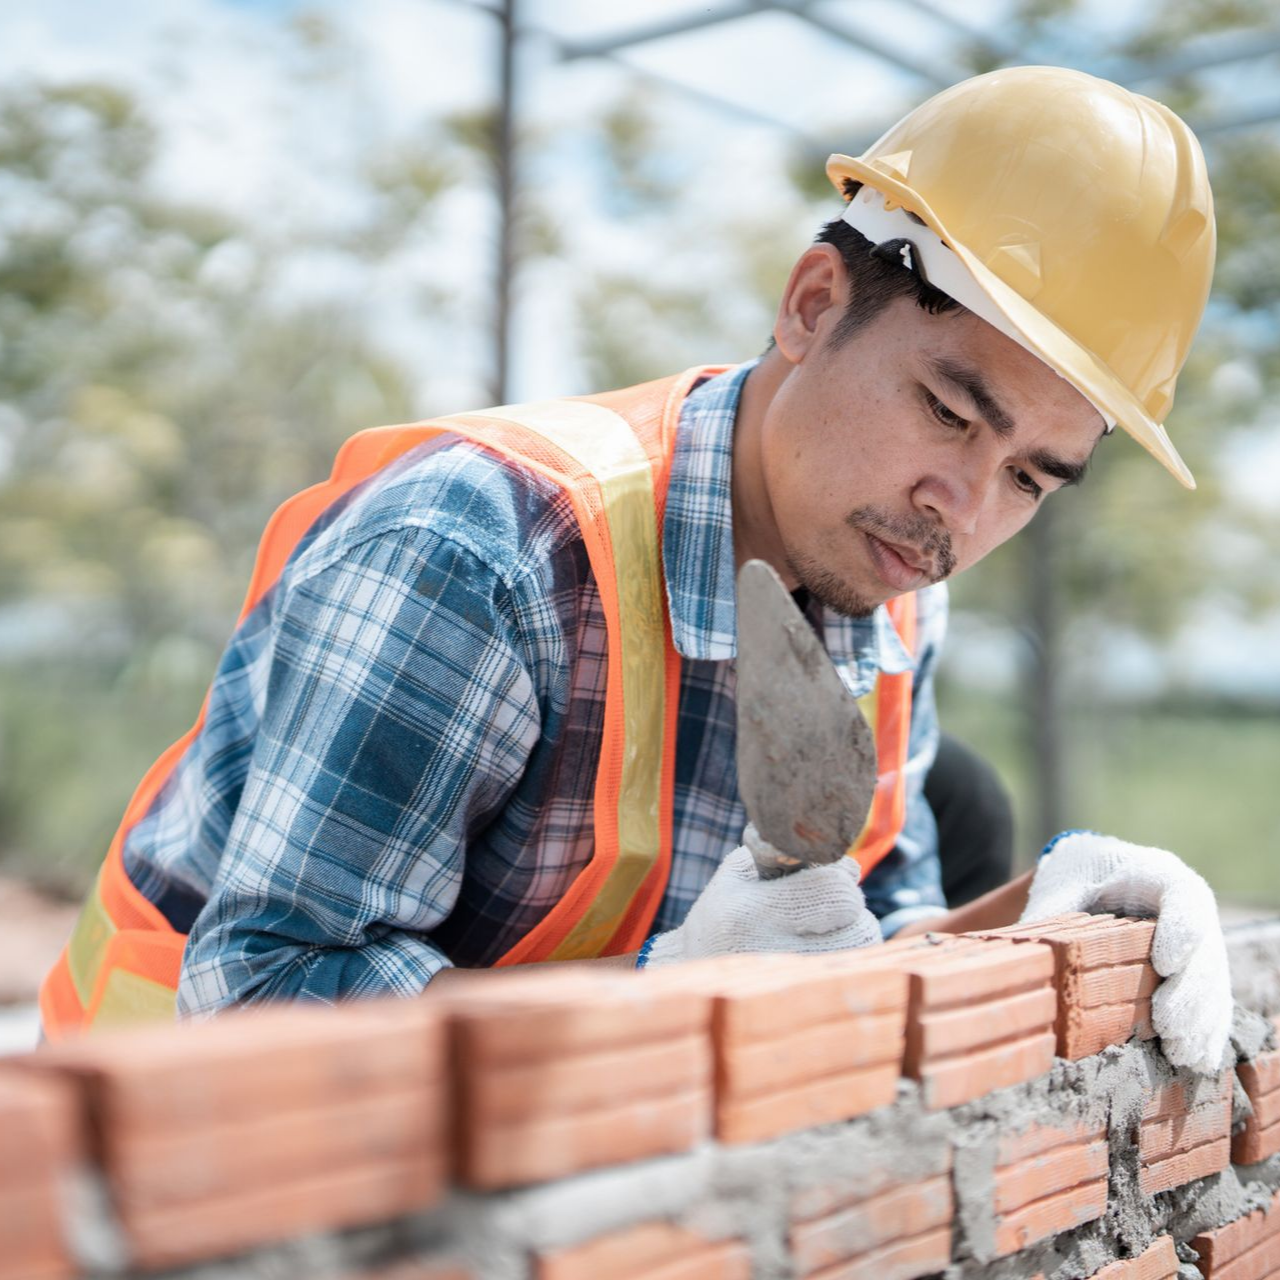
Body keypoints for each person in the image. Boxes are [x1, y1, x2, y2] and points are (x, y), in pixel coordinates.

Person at [41, 67, 1231, 1074]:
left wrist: (1042, 920)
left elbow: (865, 949)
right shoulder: (481, 551)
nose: (960, 512)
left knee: (962, 807)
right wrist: (665, 1000)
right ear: (814, 305)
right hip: (159, 1178)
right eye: (945, 410)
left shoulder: (894, 584)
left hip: (542, 1151)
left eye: (1029, 476)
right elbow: (262, 999)